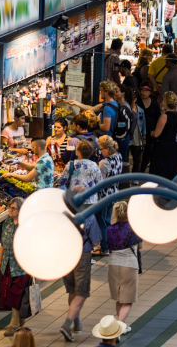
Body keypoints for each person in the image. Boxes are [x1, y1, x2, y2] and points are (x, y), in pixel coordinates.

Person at [58, 143, 104, 342]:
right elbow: (101, 184)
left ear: (77, 152)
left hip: (66, 255)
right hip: (82, 253)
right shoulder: (94, 166)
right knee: (81, 291)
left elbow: (60, 182)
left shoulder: (70, 165)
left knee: (71, 289)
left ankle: (76, 321)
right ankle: (68, 323)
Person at [0, 199, 31, 334]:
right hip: (8, 263)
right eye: (9, 208)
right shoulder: (7, 223)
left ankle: (14, 323)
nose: (10, 210)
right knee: (9, 291)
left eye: (14, 208)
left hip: (22, 265)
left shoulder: (26, 225)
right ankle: (20, 321)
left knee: (17, 292)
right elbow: (3, 244)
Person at [105, 202, 140, 326]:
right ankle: (119, 326)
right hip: (129, 264)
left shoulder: (110, 229)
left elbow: (108, 246)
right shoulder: (132, 228)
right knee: (128, 299)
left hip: (113, 264)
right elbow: (139, 245)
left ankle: (122, 326)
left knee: (119, 298)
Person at [96, 135, 123, 253]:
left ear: (107, 149)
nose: (99, 151)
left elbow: (101, 182)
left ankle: (105, 247)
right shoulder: (118, 156)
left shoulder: (104, 162)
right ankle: (110, 244)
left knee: (102, 221)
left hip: (104, 196)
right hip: (114, 192)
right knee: (107, 220)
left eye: (101, 148)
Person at [149, 92, 177, 179]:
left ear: (166, 102)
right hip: (172, 145)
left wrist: (151, 132)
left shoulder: (164, 116)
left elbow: (156, 134)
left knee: (160, 171)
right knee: (170, 170)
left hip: (162, 147)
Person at [137, 86, 161, 171]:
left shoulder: (154, 103)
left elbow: (158, 117)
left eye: (146, 91)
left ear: (150, 92)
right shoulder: (138, 103)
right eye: (142, 90)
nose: (144, 92)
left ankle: (143, 171)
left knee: (148, 152)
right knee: (137, 153)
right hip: (139, 132)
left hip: (151, 131)